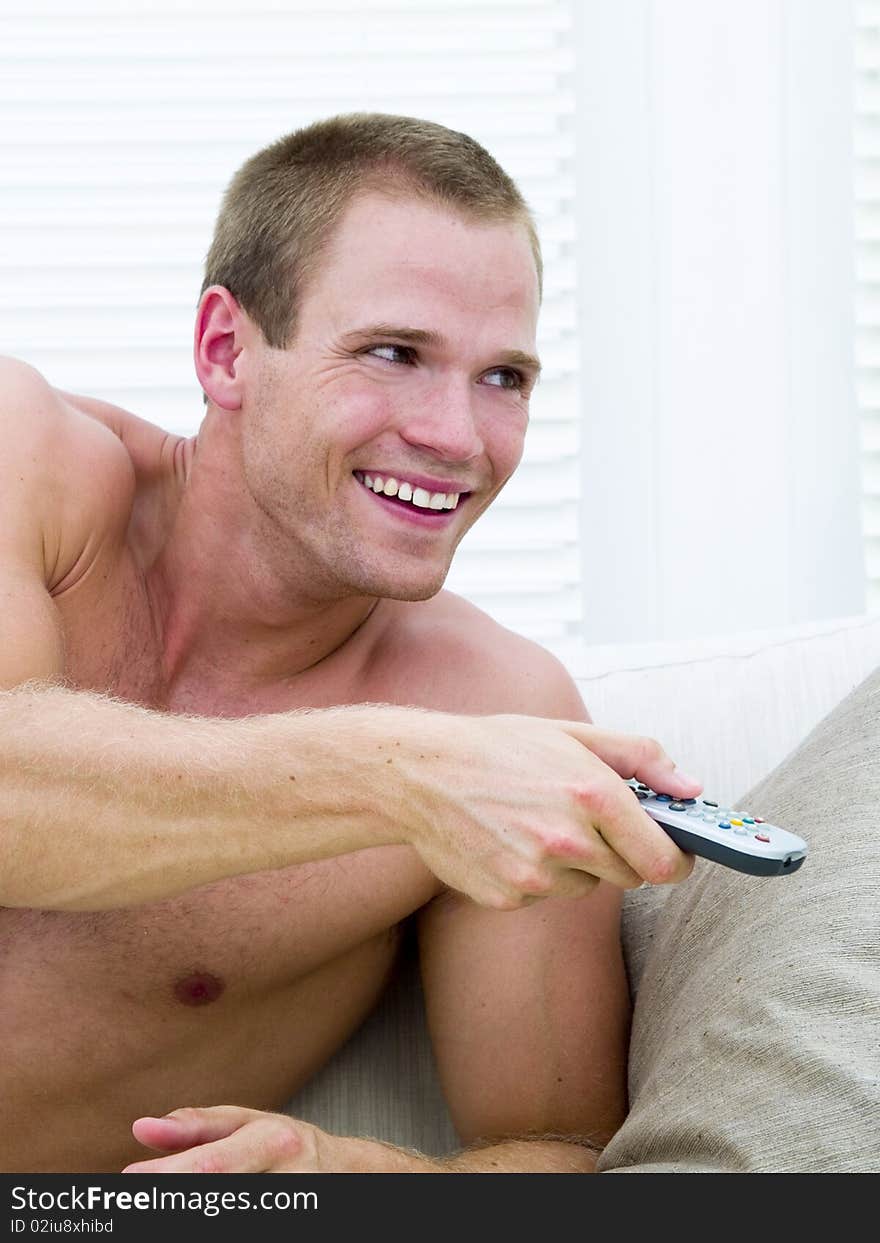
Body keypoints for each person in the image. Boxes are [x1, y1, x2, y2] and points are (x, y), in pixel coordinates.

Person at [0, 112, 704, 1175]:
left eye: (503, 377)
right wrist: (403, 777)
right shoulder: (25, 456)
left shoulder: (496, 711)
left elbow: (554, 1146)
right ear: (225, 348)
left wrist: (348, 1180)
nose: (458, 438)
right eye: (394, 352)